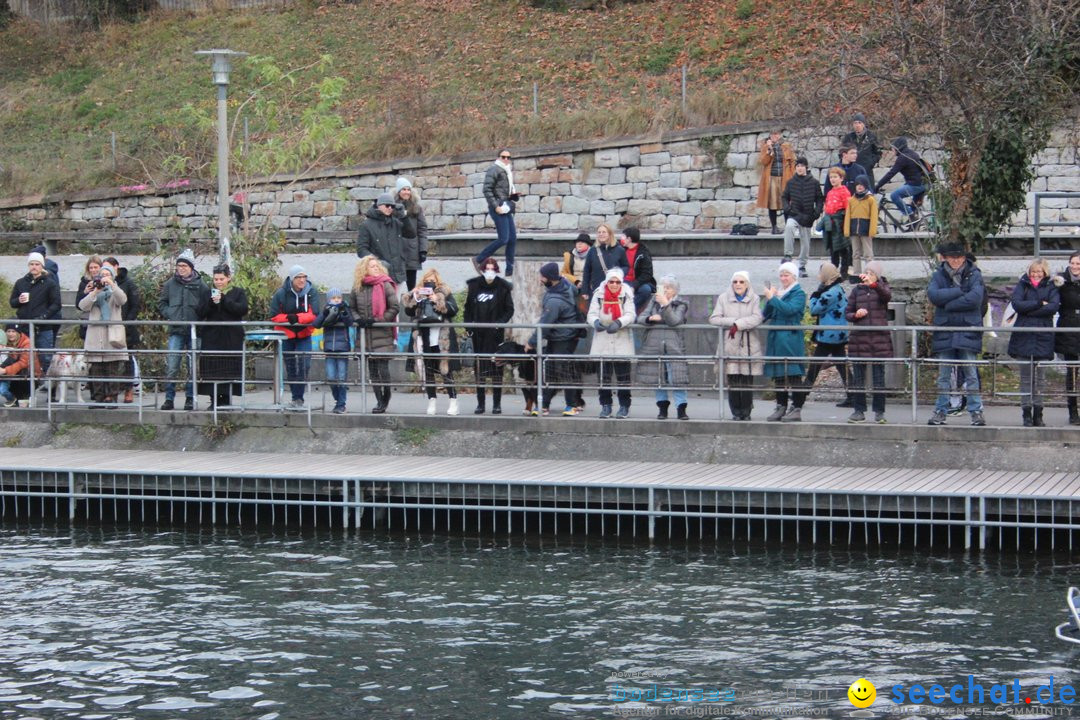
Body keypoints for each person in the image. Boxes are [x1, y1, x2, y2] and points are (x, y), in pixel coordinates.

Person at [926, 242, 986, 426]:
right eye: (952, 257)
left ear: (964, 258)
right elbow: (934, 296)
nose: (956, 261)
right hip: (946, 329)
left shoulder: (975, 274)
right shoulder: (938, 275)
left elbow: (976, 299)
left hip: (968, 328)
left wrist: (949, 304)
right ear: (945, 257)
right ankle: (940, 411)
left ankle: (976, 412)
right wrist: (959, 292)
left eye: (959, 257)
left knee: (971, 373)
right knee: (944, 375)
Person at [787, 263, 850, 422]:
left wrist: (815, 295)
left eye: (821, 273)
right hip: (837, 334)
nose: (818, 275)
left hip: (829, 335)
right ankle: (854, 394)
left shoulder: (831, 293)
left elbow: (814, 308)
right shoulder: (837, 289)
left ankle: (799, 399)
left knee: (814, 367)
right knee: (842, 366)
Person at [1008, 258, 1060, 427]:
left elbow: (1053, 307)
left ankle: (1039, 413)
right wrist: (1038, 304)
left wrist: (1029, 309)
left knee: (1040, 379)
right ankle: (1026, 413)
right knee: (1025, 378)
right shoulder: (1022, 285)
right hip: (1024, 335)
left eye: (1039, 272)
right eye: (1033, 272)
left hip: (1043, 336)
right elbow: (1017, 305)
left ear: (1045, 273)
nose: (1036, 275)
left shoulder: (1051, 286)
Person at [157, 249, 211, 411]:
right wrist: (170, 314)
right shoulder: (169, 284)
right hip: (176, 330)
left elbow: (206, 307)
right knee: (172, 365)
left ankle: (189, 397)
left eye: (184, 266)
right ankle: (169, 398)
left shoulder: (201, 285)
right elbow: (162, 303)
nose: (181, 268)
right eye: (179, 265)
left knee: (192, 366)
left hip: (195, 331)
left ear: (191, 267)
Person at [527, 262, 583, 417]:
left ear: (550, 278)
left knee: (562, 371)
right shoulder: (563, 285)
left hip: (562, 338)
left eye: (542, 276)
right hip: (561, 336)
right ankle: (543, 405)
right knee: (550, 371)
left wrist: (531, 342)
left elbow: (545, 324)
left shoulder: (555, 300)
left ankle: (571, 405)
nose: (540, 279)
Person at [403, 267, 461, 416]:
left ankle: (453, 401)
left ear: (438, 282)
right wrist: (416, 298)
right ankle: (431, 401)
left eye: (433, 281)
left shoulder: (444, 293)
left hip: (443, 339)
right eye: (427, 281)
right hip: (425, 338)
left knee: (446, 372)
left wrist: (438, 301)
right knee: (428, 372)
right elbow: (408, 311)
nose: (430, 284)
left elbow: (454, 310)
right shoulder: (419, 294)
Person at [709, 271, 764, 420]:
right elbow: (714, 319)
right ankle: (735, 412)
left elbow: (757, 317)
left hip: (748, 344)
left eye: (741, 281)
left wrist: (738, 324)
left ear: (747, 283)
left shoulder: (755, 298)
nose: (738, 284)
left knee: (746, 381)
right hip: (730, 344)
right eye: (735, 281)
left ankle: (746, 412)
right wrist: (733, 322)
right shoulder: (723, 298)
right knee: (732, 380)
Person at [464, 257, 514, 415]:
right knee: (479, 370)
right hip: (478, 334)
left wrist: (499, 323)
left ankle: (497, 404)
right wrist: (468, 326)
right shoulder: (474, 286)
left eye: (493, 269)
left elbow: (509, 309)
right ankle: (480, 404)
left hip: (495, 334)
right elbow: (467, 309)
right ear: (483, 270)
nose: (490, 272)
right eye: (487, 269)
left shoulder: (503, 287)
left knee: (497, 368)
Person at [845, 261, 893, 423]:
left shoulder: (883, 287)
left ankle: (879, 412)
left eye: (872, 273)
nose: (868, 275)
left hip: (879, 339)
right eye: (867, 272)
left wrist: (874, 285)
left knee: (878, 377)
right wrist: (855, 315)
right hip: (859, 339)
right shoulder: (856, 291)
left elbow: (886, 297)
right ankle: (859, 410)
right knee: (858, 377)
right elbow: (847, 312)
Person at [351, 255, 399, 414]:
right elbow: (351, 308)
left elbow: (394, 307)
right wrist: (359, 320)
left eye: (377, 265)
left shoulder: (385, 284)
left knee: (383, 368)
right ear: (364, 269)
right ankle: (379, 401)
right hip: (365, 335)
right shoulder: (358, 287)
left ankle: (387, 395)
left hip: (381, 334)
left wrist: (379, 320)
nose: (376, 268)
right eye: (372, 266)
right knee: (372, 370)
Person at [197, 264, 249, 410]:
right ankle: (214, 399)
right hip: (212, 337)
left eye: (221, 279)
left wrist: (225, 300)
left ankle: (226, 398)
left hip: (231, 337)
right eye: (216, 279)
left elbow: (242, 309)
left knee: (229, 367)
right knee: (212, 368)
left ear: (228, 278)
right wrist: (211, 303)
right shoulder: (207, 293)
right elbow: (200, 312)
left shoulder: (237, 292)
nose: (219, 282)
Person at [269, 264, 321, 410]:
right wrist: (287, 318)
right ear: (292, 279)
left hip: (304, 334)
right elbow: (273, 315)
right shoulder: (281, 293)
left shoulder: (312, 292)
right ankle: (296, 397)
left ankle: (299, 396)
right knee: (291, 366)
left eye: (304, 277)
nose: (302, 280)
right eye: (298, 277)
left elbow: (314, 314)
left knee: (305, 364)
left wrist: (297, 318)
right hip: (287, 335)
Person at [637, 276, 689, 420]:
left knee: (677, 377)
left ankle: (681, 408)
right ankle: (662, 409)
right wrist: (650, 319)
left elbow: (674, 320)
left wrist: (665, 305)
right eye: (663, 287)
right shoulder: (653, 302)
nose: (665, 290)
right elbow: (640, 318)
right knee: (658, 378)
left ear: (675, 290)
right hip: (654, 345)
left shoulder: (681, 304)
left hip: (674, 346)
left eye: (669, 287)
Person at [587, 267, 636, 418]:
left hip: (621, 339)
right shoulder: (599, 294)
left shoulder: (626, 294)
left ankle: (624, 406)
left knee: (623, 377)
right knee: (603, 377)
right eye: (611, 282)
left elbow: (631, 314)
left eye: (617, 282)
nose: (614, 284)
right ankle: (606, 405)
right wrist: (595, 322)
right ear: (607, 282)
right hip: (602, 340)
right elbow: (591, 313)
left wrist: (619, 323)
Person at [77, 263, 128, 406]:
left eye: (107, 275)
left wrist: (112, 285)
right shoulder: (94, 290)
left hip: (111, 335)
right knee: (96, 369)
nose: (104, 278)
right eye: (102, 275)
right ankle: (98, 398)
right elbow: (82, 306)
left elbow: (122, 300)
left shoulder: (115, 290)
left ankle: (112, 397)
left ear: (112, 276)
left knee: (112, 369)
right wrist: (94, 292)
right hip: (95, 334)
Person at [763, 262, 807, 421]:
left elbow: (790, 310)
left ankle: (796, 408)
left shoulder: (799, 293)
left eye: (786, 275)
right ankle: (781, 406)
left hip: (790, 337)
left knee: (793, 373)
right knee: (779, 374)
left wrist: (773, 298)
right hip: (776, 338)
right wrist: (770, 299)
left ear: (794, 276)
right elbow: (765, 314)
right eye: (781, 275)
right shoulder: (780, 292)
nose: (783, 278)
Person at [10, 250, 61, 376]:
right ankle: (26, 390)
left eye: (37, 264)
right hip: (25, 328)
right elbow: (12, 302)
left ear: (42, 266)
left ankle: (50, 389)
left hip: (43, 328)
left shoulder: (50, 283)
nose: (34, 266)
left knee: (46, 359)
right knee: (23, 358)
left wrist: (44, 317)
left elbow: (56, 304)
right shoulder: (20, 282)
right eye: (31, 264)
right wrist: (19, 300)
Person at [474, 149, 520, 279]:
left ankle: (510, 269)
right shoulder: (494, 169)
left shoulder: (506, 170)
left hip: (506, 206)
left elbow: (503, 190)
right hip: (498, 208)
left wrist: (513, 196)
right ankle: (479, 259)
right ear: (498, 157)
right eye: (503, 157)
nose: (506, 159)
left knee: (512, 239)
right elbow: (486, 189)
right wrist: (496, 206)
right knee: (503, 238)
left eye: (508, 157)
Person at [356, 192, 416, 285]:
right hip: (378, 273)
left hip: (397, 273)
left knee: (394, 299)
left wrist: (404, 217)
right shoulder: (367, 225)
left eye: (392, 206)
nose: (390, 208)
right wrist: (377, 262)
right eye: (387, 205)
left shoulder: (396, 222)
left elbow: (411, 234)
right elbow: (361, 249)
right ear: (379, 206)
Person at [104, 256, 142, 403]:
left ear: (116, 267)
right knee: (109, 362)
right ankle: (110, 391)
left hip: (126, 327)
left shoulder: (128, 283)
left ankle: (128, 390)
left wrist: (127, 322)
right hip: (108, 327)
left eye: (108, 267)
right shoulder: (102, 282)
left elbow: (135, 305)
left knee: (127, 361)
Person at [314, 288, 355, 415]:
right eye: (333, 298)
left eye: (339, 298)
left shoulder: (345, 308)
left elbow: (350, 322)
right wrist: (325, 313)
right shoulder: (326, 309)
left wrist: (343, 311)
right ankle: (338, 400)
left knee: (342, 377)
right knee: (331, 377)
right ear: (329, 299)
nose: (336, 300)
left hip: (342, 348)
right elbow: (316, 324)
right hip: (329, 349)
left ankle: (341, 404)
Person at [781, 157, 823, 278]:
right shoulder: (791, 182)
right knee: (789, 227)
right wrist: (787, 209)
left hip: (808, 216)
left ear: (806, 167)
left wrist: (816, 213)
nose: (799, 168)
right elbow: (784, 197)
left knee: (806, 242)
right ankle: (788, 256)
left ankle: (802, 266)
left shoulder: (814, 182)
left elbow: (819, 199)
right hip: (794, 214)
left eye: (802, 166)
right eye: (798, 166)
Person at [874, 137, 931, 221]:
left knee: (894, 195)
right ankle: (913, 223)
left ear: (898, 147)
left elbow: (891, 173)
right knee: (913, 207)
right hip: (924, 183)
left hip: (916, 185)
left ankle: (911, 217)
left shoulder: (903, 158)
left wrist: (878, 186)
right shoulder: (912, 153)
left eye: (893, 148)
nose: (892, 150)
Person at [1055, 252, 1080, 425]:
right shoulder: (1061, 281)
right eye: (1073, 263)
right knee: (1072, 372)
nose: (1075, 266)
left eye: (1079, 264)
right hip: (1069, 327)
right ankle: (1073, 411)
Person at [756, 129, 796, 234]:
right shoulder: (766, 146)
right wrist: (769, 150)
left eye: (777, 134)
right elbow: (763, 162)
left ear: (780, 135)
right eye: (773, 134)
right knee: (772, 203)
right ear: (770, 135)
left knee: (786, 203)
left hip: (785, 178)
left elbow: (792, 161)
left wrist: (793, 176)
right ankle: (774, 227)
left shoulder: (786, 146)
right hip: (772, 178)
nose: (775, 136)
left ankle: (788, 227)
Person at [395, 177, 428, 291]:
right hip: (397, 249)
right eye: (403, 189)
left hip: (412, 250)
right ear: (398, 191)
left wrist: (423, 250)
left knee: (412, 286)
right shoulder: (391, 207)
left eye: (408, 189)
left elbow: (422, 229)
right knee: (395, 284)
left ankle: (412, 307)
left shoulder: (416, 208)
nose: (406, 192)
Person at [580, 224, 629, 302]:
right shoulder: (592, 251)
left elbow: (626, 266)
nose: (601, 234)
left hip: (614, 290)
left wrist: (617, 273)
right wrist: (585, 290)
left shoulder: (620, 250)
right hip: (597, 289)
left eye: (604, 232)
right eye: (599, 232)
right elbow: (587, 271)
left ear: (610, 234)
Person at [844, 176, 879, 279]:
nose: (859, 187)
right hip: (854, 230)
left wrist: (872, 231)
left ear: (866, 186)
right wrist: (847, 230)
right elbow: (848, 216)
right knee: (855, 254)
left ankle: (870, 274)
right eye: (857, 185)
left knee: (868, 254)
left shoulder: (871, 200)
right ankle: (857, 273)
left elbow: (874, 216)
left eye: (861, 185)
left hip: (866, 230)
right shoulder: (851, 200)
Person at [0, 324, 41, 407]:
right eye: (8, 331)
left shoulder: (27, 343)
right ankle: (14, 398)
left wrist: (5, 370)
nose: (10, 334)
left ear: (18, 333)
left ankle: (24, 396)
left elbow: (23, 363)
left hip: (28, 375)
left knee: (21, 398)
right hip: (10, 373)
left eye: (13, 331)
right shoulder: (4, 343)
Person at [822, 167, 852, 280]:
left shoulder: (845, 192)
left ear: (841, 178)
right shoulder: (830, 192)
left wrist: (844, 223)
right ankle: (833, 271)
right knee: (833, 249)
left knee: (843, 249)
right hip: (831, 223)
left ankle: (844, 272)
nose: (832, 179)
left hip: (840, 222)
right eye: (831, 177)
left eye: (835, 177)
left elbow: (848, 208)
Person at [619, 227, 656, 312]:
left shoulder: (643, 253)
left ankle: (629, 310)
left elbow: (647, 274)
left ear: (629, 239)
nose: (621, 239)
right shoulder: (620, 250)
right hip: (623, 280)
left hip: (638, 281)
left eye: (623, 236)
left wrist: (634, 285)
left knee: (646, 290)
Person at [840, 113, 882, 185]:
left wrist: (870, 163)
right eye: (855, 123)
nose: (857, 125)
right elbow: (841, 153)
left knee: (868, 193)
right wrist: (847, 165)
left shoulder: (871, 136)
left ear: (863, 124)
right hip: (851, 170)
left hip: (866, 170)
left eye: (859, 122)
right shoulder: (848, 137)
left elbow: (878, 153)